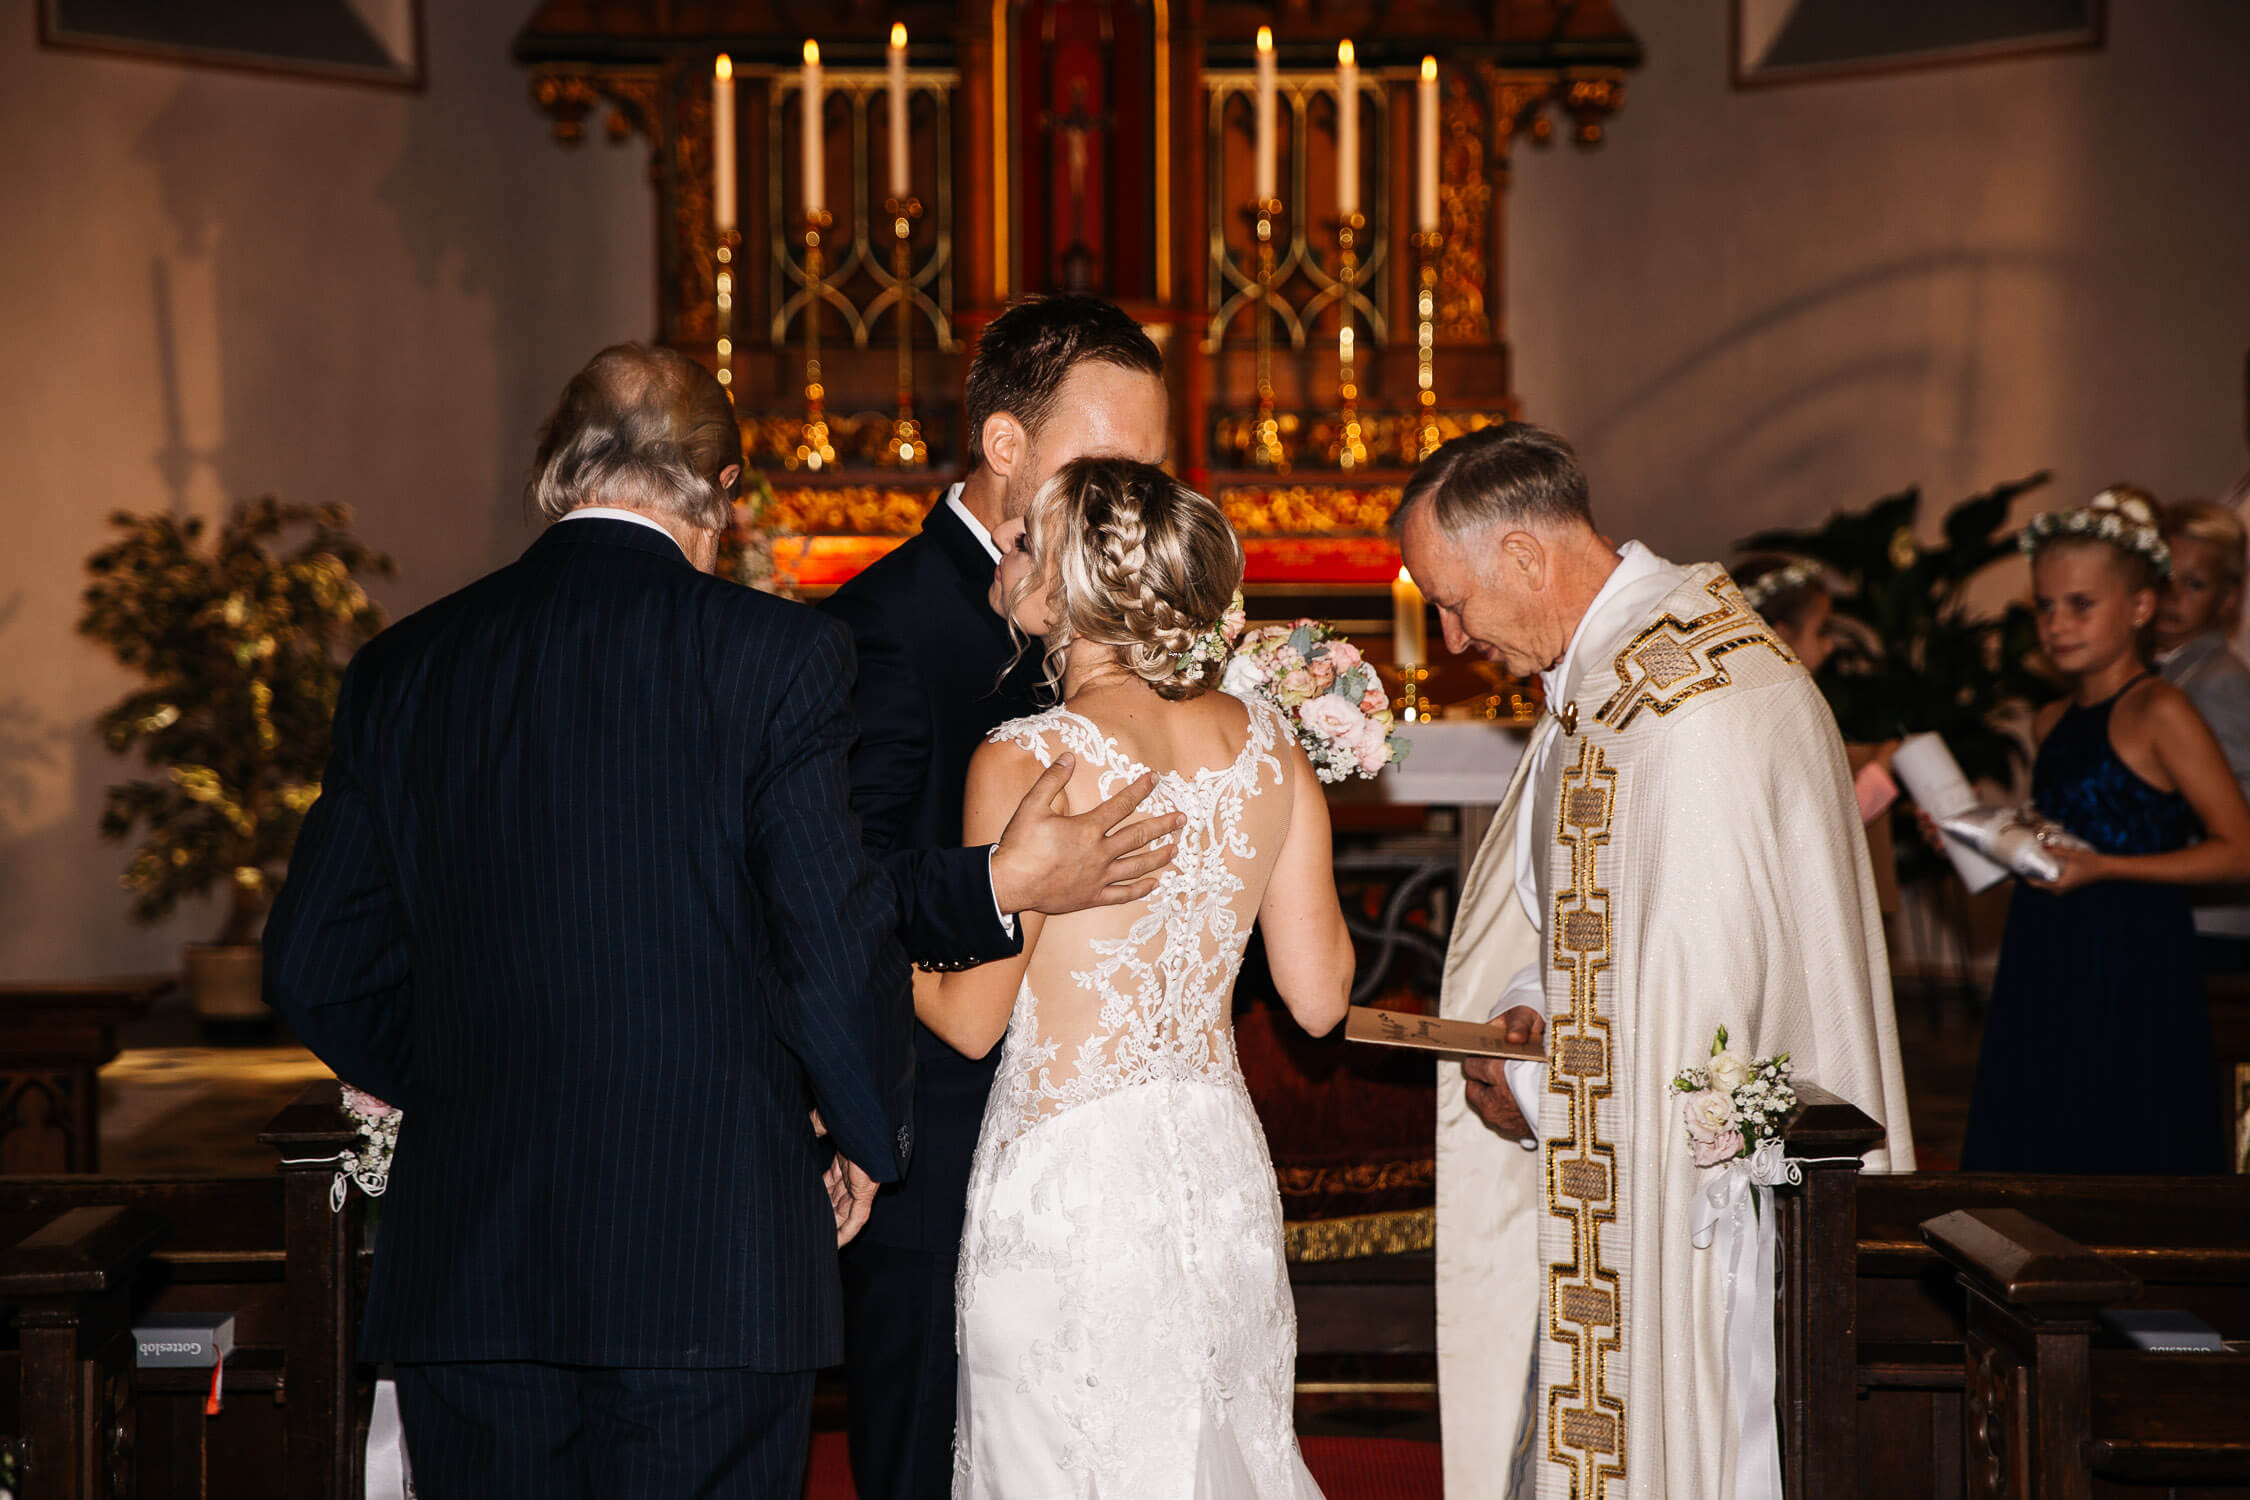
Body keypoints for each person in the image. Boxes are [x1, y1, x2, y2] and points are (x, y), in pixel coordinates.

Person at [263, 344, 914, 1498]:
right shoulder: (777, 656)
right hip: (708, 1249)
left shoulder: (406, 666)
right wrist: (863, 1131)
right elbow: (827, 937)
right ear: (717, 495)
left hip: (475, 1260)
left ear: (558, 474)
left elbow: (314, 964)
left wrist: (467, 1072)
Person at [1398, 424, 1914, 1500]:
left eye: (1452, 599)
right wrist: (1526, 1012)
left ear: (1528, 558)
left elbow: (1701, 1025)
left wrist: (1529, 1080)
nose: (1449, 637)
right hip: (1637, 1193)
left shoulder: (1683, 707)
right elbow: (1580, 929)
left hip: (1712, 1232)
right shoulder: (1626, 673)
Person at [919, 457, 1354, 1497]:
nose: (1006, 551)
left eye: (1025, 538)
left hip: (1068, 1188)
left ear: (1068, 586)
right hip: (1216, 1167)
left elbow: (973, 1022)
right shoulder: (1274, 751)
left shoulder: (1026, 762)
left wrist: (855, 945)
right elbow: (1319, 997)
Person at [816, 294, 1185, 1500]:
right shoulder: (885, 624)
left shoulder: (1134, 632)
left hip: (1105, 1139)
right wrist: (1002, 886)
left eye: (1152, 470)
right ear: (1007, 448)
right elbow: (836, 882)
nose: (1133, 499)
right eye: (1106, 463)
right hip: (951, 1125)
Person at [1959, 488, 2246, 1173]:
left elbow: (2239, 851)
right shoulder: (2050, 719)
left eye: (2081, 605)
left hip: (2134, 956)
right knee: (2040, 1139)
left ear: (2140, 608)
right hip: (2048, 951)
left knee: (2124, 1145)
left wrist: (2113, 869)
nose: (2057, 624)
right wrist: (1988, 834)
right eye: (2045, 606)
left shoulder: (2161, 710)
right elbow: (2066, 833)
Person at [1735, 554, 1903, 909]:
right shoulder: (1781, 716)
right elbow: (1817, 830)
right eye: (1821, 630)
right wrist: (1879, 773)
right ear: (1780, 636)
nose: (1829, 645)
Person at [2153, 498, 2250, 969]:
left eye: (2194, 584)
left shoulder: (2219, 679)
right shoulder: (2170, 671)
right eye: (2164, 577)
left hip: (2210, 922)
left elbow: (2239, 802)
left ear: (2228, 598)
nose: (2172, 595)